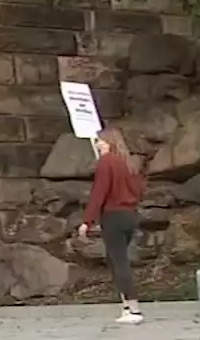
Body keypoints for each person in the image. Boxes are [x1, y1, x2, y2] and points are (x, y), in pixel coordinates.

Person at [79, 127, 146, 325]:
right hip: (130, 215)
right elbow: (140, 190)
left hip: (113, 216)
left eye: (99, 141)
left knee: (119, 261)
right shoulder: (128, 163)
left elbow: (99, 193)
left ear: (109, 142)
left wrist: (87, 221)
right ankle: (126, 305)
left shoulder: (106, 162)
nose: (97, 145)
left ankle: (132, 307)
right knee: (116, 258)